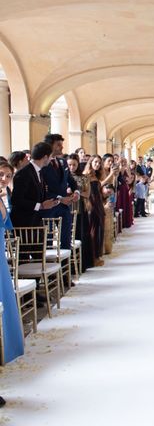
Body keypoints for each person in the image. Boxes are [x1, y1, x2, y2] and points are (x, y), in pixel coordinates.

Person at [0, 160, 25, 375]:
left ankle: (5, 350)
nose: (4, 180)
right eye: (1, 174)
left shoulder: (3, 197)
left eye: (8, 176)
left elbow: (6, 222)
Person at [40, 133, 79, 250]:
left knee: (66, 238)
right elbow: (41, 187)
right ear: (49, 146)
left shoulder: (62, 161)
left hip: (64, 207)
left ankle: (67, 266)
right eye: (58, 145)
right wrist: (60, 198)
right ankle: (50, 266)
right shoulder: (42, 164)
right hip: (49, 206)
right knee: (49, 239)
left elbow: (70, 180)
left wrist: (76, 191)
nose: (62, 147)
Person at [11, 142, 59, 229]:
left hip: (35, 221)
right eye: (50, 156)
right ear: (45, 157)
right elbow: (16, 200)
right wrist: (41, 206)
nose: (51, 159)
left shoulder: (38, 171)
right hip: (24, 224)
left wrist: (54, 201)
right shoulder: (24, 173)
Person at [68, 154, 94, 271]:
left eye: (74, 164)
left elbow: (87, 194)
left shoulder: (83, 177)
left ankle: (82, 263)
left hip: (80, 208)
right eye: (69, 165)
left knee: (81, 234)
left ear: (78, 164)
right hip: (67, 208)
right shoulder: (63, 177)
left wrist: (76, 193)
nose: (72, 167)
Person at [84, 155, 106, 266]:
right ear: (91, 162)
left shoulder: (97, 176)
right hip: (91, 204)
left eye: (99, 163)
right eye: (95, 162)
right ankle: (92, 257)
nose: (98, 164)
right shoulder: (86, 175)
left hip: (98, 204)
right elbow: (85, 192)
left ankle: (97, 255)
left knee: (99, 230)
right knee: (93, 231)